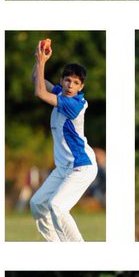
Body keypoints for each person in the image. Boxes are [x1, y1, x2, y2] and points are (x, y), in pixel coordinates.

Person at [29, 38, 98, 242]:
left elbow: (40, 92)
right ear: (62, 81)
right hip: (63, 168)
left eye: (76, 83)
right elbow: (36, 80)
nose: (70, 85)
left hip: (81, 166)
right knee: (37, 204)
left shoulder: (74, 105)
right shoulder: (61, 93)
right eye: (67, 80)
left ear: (81, 86)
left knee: (57, 206)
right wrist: (39, 57)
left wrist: (42, 63)